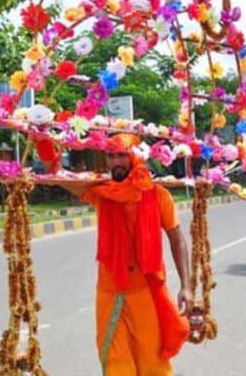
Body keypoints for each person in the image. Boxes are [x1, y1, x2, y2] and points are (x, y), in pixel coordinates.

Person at [40, 134, 192, 375]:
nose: (116, 161)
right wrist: (41, 139)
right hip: (110, 291)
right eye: (111, 156)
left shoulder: (158, 195)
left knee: (152, 362)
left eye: (122, 155)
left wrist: (186, 285)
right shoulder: (101, 192)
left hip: (145, 291)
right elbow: (54, 173)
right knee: (115, 361)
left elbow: (177, 240)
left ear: (134, 157)